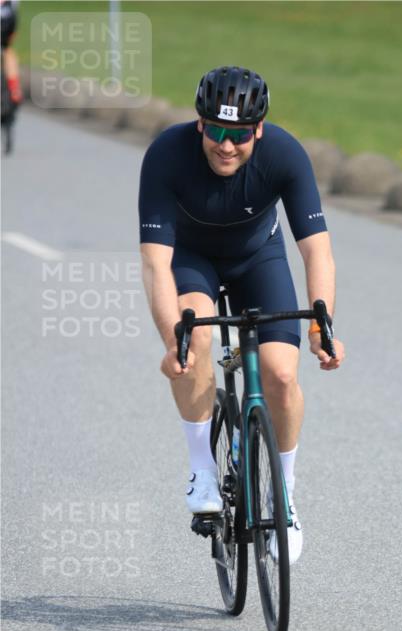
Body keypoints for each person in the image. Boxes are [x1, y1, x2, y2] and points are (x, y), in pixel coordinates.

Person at [139, 65, 344, 564]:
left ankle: (285, 497)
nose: (226, 146)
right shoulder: (167, 155)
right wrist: (174, 341)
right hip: (192, 260)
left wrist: (322, 325)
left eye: (239, 134)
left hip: (258, 257)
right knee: (197, 343)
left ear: (258, 130)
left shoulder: (284, 154)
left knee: (279, 374)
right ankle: (202, 469)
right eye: (216, 131)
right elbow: (155, 262)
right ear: (199, 124)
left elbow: (317, 251)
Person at [1, 0, 22, 105]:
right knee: (7, 50)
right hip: (9, 19)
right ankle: (14, 88)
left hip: (7, 18)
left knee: (7, 50)